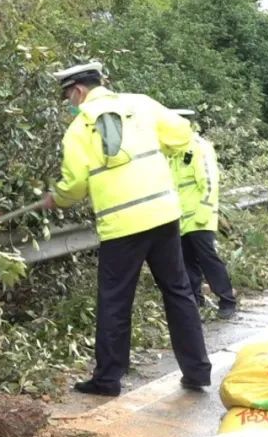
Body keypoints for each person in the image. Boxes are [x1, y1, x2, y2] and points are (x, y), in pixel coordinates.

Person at [40, 61, 212, 397]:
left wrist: (56, 198)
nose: (70, 105)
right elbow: (182, 134)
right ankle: (197, 371)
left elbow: (74, 185)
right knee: (178, 292)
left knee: (115, 301)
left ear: (77, 90)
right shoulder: (141, 104)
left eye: (68, 98)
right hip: (163, 214)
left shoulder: (79, 128)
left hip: (122, 225)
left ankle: (107, 380)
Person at [168, 111, 237, 320]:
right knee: (187, 263)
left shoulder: (199, 147)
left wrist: (204, 211)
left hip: (200, 216)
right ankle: (195, 302)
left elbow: (209, 182)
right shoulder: (172, 152)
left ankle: (227, 300)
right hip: (180, 218)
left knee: (208, 260)